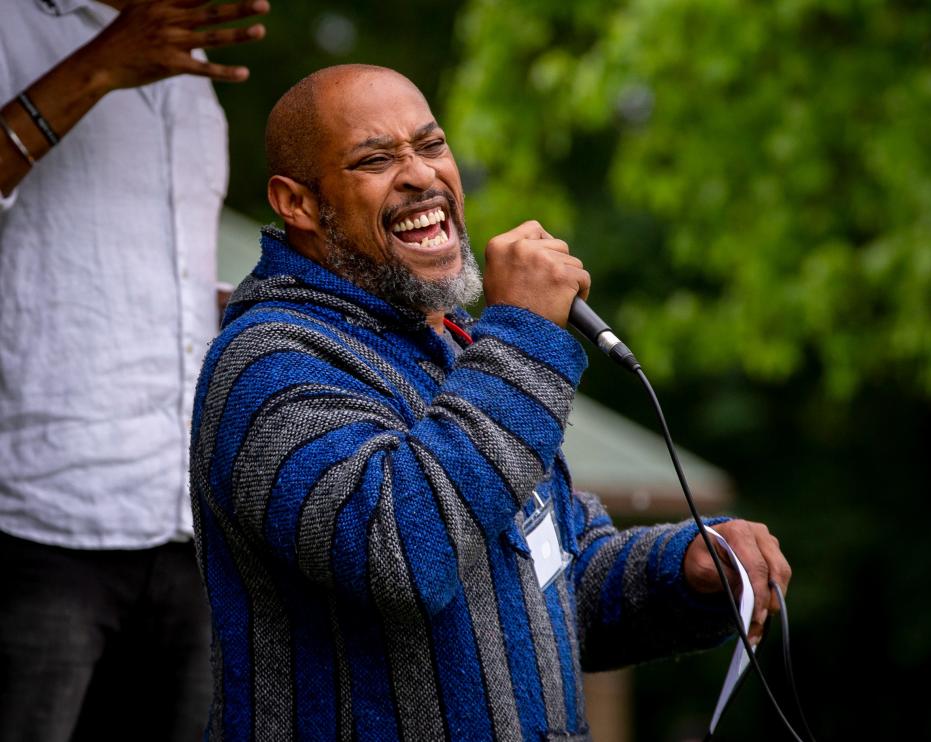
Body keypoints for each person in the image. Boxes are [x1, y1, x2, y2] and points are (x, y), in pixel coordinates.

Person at [190, 64, 792, 741]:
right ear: (296, 203)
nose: (421, 175)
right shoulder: (268, 363)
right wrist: (525, 336)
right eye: (375, 158)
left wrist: (686, 568)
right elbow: (402, 553)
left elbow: (558, 580)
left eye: (431, 144)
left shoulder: (456, 352)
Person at [0, 1, 269, 740]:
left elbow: (135, 276)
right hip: (36, 518)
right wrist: (100, 63)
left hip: (187, 520)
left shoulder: (194, 79)